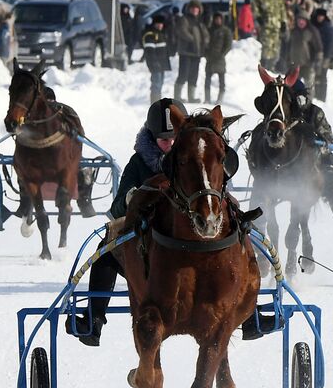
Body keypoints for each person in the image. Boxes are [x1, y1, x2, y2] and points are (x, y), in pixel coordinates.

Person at [64, 99, 272, 346]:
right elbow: (118, 206)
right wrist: (132, 197)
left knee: (240, 235)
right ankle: (94, 318)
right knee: (106, 252)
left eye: (173, 138)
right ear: (151, 138)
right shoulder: (139, 163)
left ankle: (250, 314)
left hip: (197, 228)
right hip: (149, 231)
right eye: (163, 140)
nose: (170, 144)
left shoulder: (197, 153)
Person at [283, 78, 333, 250]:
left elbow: (329, 143)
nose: (294, 102)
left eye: (296, 98)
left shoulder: (315, 113)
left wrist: (314, 139)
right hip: (286, 170)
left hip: (317, 167)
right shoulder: (281, 115)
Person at [172, 0, 208, 103]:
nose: (194, 10)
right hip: (186, 51)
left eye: (196, 8)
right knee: (183, 74)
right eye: (193, 8)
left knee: (193, 75)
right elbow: (182, 31)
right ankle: (177, 97)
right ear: (189, 9)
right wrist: (193, 39)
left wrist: (205, 40)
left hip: (196, 52)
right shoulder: (184, 19)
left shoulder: (199, 22)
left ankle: (191, 97)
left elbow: (205, 34)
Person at [204, 11, 232, 106]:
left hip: (220, 59)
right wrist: (206, 54)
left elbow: (228, 45)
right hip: (210, 58)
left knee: (221, 80)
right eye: (216, 19)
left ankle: (220, 99)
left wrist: (222, 54)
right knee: (207, 79)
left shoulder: (226, 31)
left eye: (219, 19)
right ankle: (207, 98)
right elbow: (205, 42)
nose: (218, 20)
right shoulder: (210, 29)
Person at [142, 13, 171, 103]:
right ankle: (155, 103)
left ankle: (157, 102)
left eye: (161, 24)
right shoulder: (150, 34)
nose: (160, 25)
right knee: (156, 84)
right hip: (155, 64)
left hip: (162, 64)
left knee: (160, 84)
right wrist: (154, 63)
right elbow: (149, 52)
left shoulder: (161, 34)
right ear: (154, 24)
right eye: (158, 23)